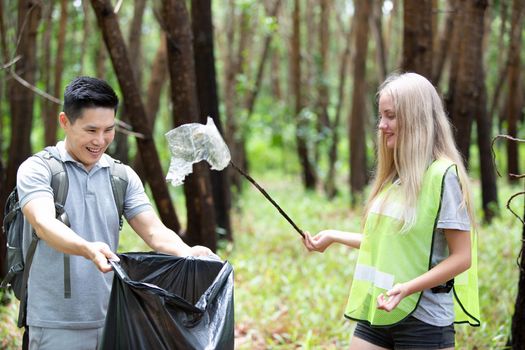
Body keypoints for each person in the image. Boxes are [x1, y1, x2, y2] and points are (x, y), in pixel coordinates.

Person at [17, 76, 217, 349]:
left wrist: (186, 251)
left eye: (109, 130)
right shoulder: (38, 169)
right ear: (65, 121)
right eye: (91, 130)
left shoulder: (121, 176)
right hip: (55, 323)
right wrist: (88, 248)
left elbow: (153, 231)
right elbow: (43, 223)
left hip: (114, 317)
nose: (100, 141)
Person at [303, 72, 480, 349]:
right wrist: (333, 236)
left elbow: (462, 257)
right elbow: (390, 243)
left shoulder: (443, 177)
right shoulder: (395, 178)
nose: (382, 125)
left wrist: (408, 288)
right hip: (381, 308)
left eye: (391, 116)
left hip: (425, 322)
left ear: (415, 119)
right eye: (381, 116)